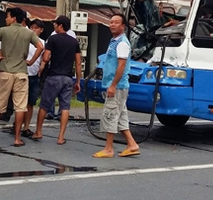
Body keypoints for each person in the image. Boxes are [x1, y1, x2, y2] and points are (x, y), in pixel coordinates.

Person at [0, 7, 43, 147]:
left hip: (5, 72)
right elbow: (40, 46)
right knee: (20, 106)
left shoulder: (4, 31)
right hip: (22, 73)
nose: (6, 19)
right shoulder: (28, 33)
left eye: (8, 16)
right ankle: (17, 138)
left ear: (14, 18)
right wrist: (31, 61)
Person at [92, 13, 140, 158]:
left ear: (123, 26)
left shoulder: (122, 43)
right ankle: (132, 145)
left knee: (110, 114)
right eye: (111, 22)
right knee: (120, 116)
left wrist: (113, 85)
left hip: (117, 86)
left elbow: (121, 65)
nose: (112, 24)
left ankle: (108, 149)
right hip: (116, 85)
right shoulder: (114, 41)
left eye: (116, 22)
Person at [31, 15, 82, 145]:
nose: (54, 26)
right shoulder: (74, 42)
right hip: (67, 78)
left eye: (55, 24)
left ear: (60, 26)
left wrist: (45, 61)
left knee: (44, 105)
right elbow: (78, 63)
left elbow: (46, 57)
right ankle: (60, 137)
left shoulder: (53, 39)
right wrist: (78, 81)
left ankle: (38, 131)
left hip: (53, 76)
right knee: (65, 107)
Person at [21, 19, 45, 138]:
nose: (34, 30)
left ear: (41, 30)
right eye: (32, 28)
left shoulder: (42, 43)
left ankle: (26, 127)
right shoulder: (25, 40)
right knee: (20, 103)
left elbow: (44, 59)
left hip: (34, 75)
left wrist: (41, 67)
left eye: (36, 28)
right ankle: (17, 124)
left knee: (30, 103)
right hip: (22, 74)